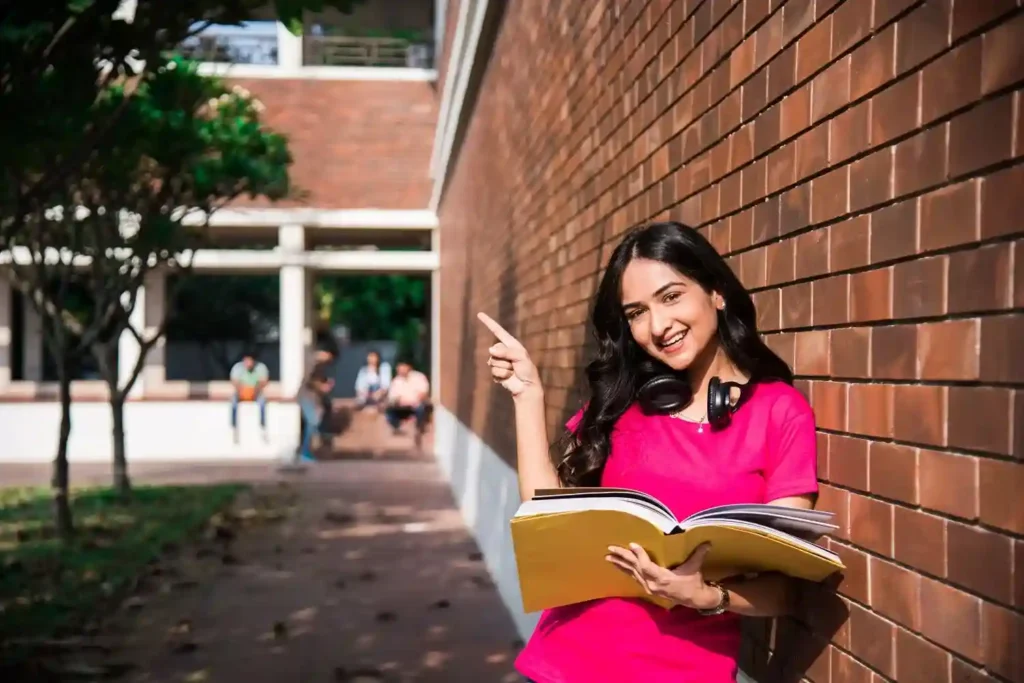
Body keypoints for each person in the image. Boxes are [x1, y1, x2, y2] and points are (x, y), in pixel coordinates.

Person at [479, 221, 819, 683]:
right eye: (636, 312)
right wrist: (527, 396)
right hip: (560, 664)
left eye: (671, 296)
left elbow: (786, 587)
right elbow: (547, 516)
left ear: (716, 291)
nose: (657, 326)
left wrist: (705, 596)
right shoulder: (626, 404)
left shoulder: (780, 411)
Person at [296, 346, 336, 463]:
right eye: (329, 356)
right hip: (305, 397)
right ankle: (304, 452)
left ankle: (305, 451)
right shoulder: (313, 362)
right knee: (313, 422)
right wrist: (322, 387)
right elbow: (309, 381)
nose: (329, 360)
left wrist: (325, 385)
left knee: (313, 423)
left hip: (313, 399)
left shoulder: (320, 365)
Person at [384, 361, 430, 445]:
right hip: (402, 407)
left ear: (409, 367)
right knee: (389, 412)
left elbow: (423, 393)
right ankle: (398, 429)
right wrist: (398, 401)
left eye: (403, 367)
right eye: (399, 367)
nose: (401, 369)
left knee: (421, 408)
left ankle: (418, 430)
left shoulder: (419, 377)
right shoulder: (396, 381)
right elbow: (393, 398)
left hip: (415, 404)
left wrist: (415, 401)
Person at [229, 351, 270, 443]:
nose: (248, 363)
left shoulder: (260, 367)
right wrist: (241, 390)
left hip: (255, 391)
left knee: (262, 402)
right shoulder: (237, 368)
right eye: (246, 361)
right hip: (242, 391)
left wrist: (255, 390)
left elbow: (263, 381)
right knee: (233, 402)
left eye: (250, 361)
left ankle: (263, 425)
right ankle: (234, 426)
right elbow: (235, 381)